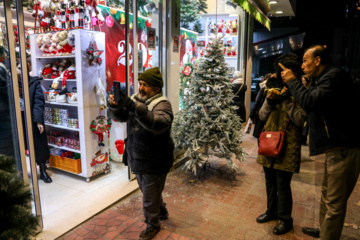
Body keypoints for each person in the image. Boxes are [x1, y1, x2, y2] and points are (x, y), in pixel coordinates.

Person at [279, 45, 360, 240]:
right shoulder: (324, 78)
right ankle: (325, 231)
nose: (303, 65)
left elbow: (309, 102)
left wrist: (292, 81)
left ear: (317, 60)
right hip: (336, 148)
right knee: (326, 194)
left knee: (334, 202)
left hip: (345, 148)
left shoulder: (334, 77)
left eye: (306, 60)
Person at [109, 67, 174, 240]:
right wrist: (115, 106)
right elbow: (121, 117)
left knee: (148, 196)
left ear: (156, 88)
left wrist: (132, 105)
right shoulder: (135, 99)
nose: (141, 88)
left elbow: (158, 124)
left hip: (155, 159)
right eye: (140, 83)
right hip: (137, 156)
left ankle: (153, 224)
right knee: (149, 191)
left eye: (145, 85)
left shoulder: (163, 104)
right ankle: (161, 210)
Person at [256, 53, 307, 235]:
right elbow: (261, 116)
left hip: (287, 145)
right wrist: (269, 101)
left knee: (283, 185)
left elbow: (301, 120)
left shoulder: (300, 90)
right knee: (269, 181)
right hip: (269, 141)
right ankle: (272, 211)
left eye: (284, 71)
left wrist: (286, 99)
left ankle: (286, 220)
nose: (280, 75)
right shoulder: (271, 88)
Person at [29, 75, 52, 183]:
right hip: (16, 118)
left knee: (39, 144)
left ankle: (43, 171)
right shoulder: (9, 81)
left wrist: (38, 121)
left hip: (32, 118)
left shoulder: (34, 83)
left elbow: (38, 102)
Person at [250, 73, 272, 143]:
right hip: (269, 115)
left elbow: (257, 103)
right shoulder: (272, 90)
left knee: (260, 136)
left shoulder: (263, 88)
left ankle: (261, 149)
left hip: (261, 114)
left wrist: (252, 115)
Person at [300, 75, 311, 145]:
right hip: (303, 109)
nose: (303, 82)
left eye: (304, 81)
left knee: (306, 126)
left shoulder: (309, 89)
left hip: (307, 110)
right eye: (302, 81)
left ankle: (303, 139)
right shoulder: (303, 88)